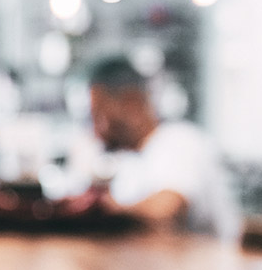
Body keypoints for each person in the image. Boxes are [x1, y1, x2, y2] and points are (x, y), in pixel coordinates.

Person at [79, 57, 233, 236]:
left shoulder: (180, 141)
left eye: (99, 115)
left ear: (131, 103)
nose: (95, 131)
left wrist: (104, 207)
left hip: (205, 262)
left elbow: (165, 210)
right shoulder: (131, 161)